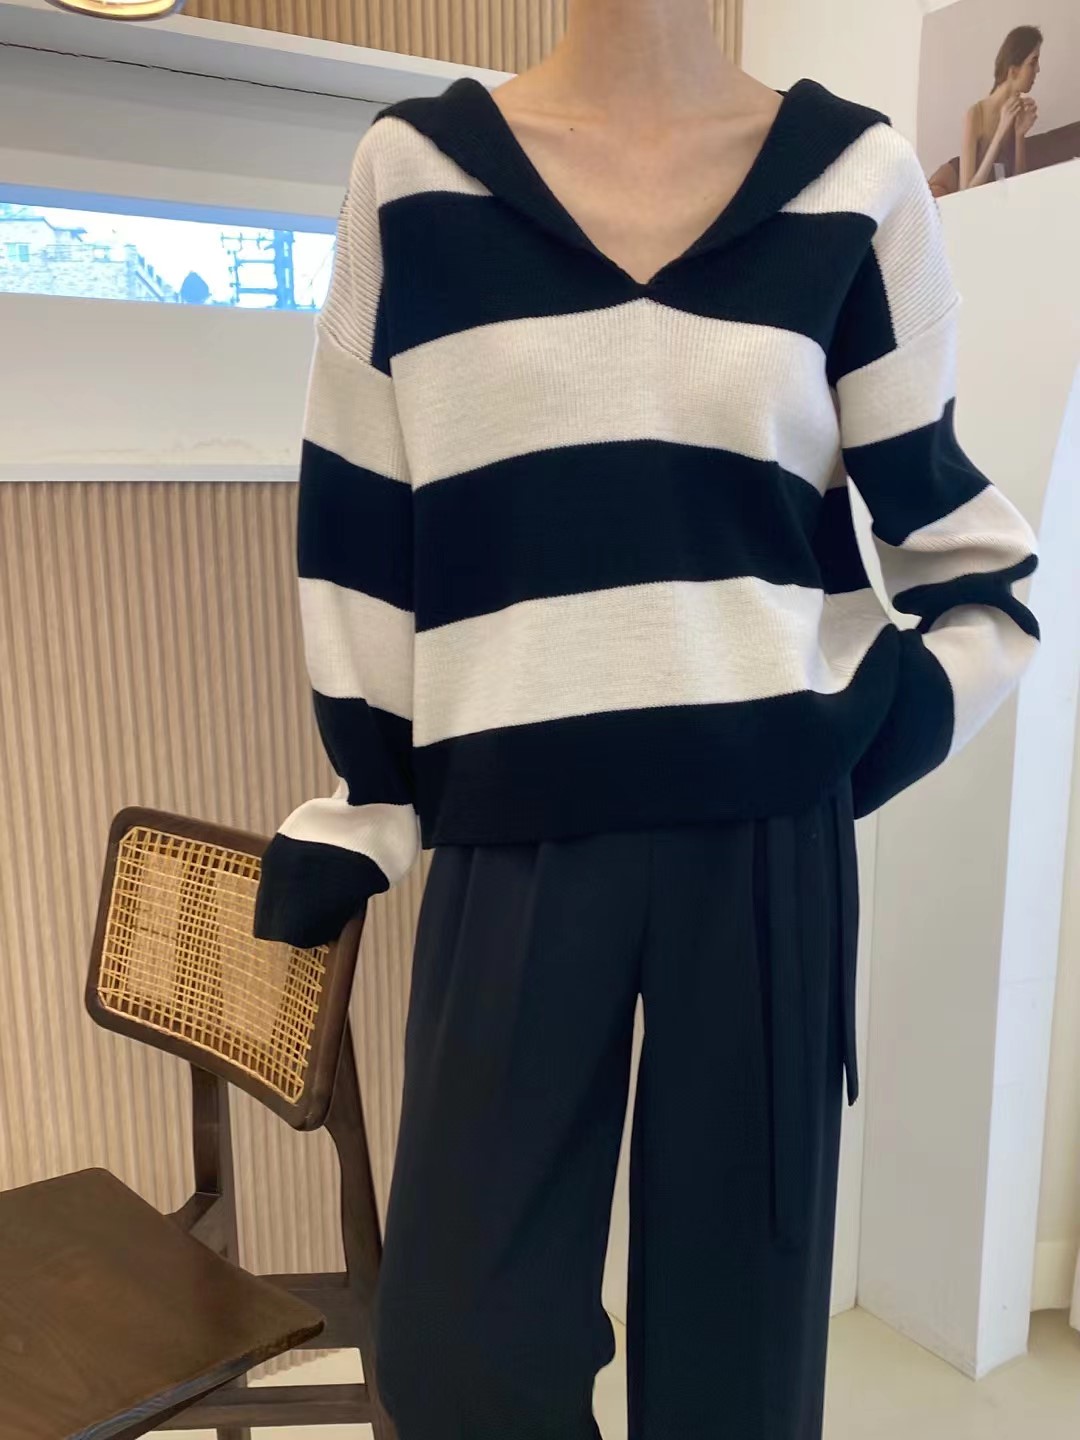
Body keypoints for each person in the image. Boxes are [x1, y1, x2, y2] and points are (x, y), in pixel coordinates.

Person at [253, 1, 1041, 1435]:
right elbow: (362, 526)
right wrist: (372, 797)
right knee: (457, 1364)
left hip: (761, 858)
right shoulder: (413, 178)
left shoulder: (855, 183)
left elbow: (967, 559)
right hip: (509, 845)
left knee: (738, 1375)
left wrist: (857, 739)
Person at [960, 24, 1042, 188]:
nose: (1038, 69)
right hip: (980, 202)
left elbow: (1020, 185)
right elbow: (965, 191)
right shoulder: (975, 114)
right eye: (1033, 62)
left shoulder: (1018, 111)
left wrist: (1019, 135)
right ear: (1013, 71)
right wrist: (1000, 132)